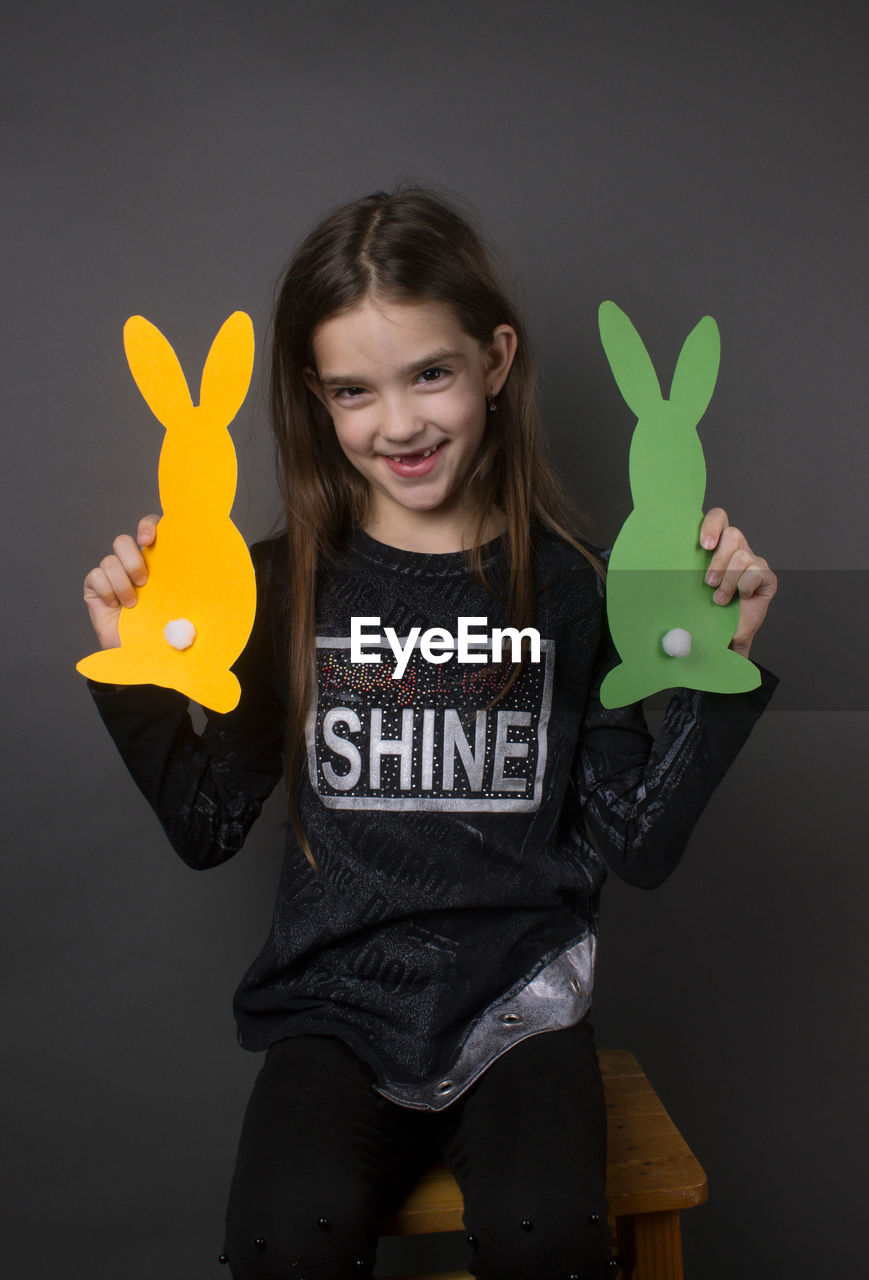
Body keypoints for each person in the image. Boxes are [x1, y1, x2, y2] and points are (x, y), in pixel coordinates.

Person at [81, 187, 778, 1280]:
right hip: (335, 1007)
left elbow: (636, 841)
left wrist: (716, 672)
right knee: (284, 1234)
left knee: (547, 1234)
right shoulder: (276, 588)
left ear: (495, 361)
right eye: (353, 390)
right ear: (315, 396)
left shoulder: (575, 587)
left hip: (517, 1002)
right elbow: (209, 822)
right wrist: (133, 671)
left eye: (430, 374)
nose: (396, 424)